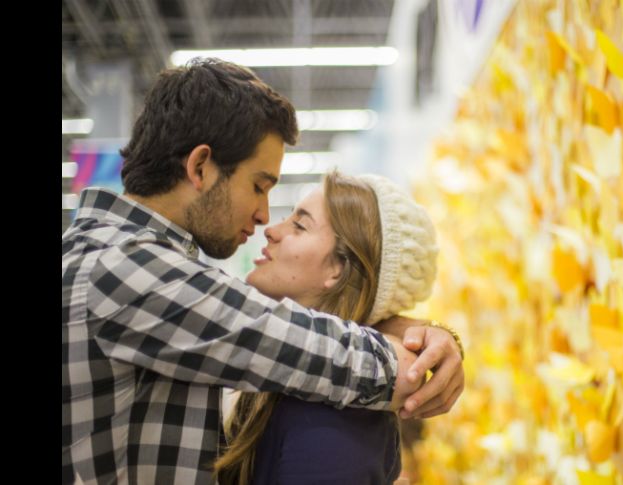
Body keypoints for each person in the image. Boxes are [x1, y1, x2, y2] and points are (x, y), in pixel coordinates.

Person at [62, 57, 464, 485]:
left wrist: (414, 331)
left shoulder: (124, 264)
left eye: (298, 222)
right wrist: (422, 359)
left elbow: (247, 320)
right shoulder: (122, 267)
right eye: (259, 185)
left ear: (340, 270)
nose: (265, 219)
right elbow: (274, 335)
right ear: (200, 167)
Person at [214, 171, 442, 485]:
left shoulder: (333, 417)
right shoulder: (302, 382)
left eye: (299, 225)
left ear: (338, 269)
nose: (271, 230)